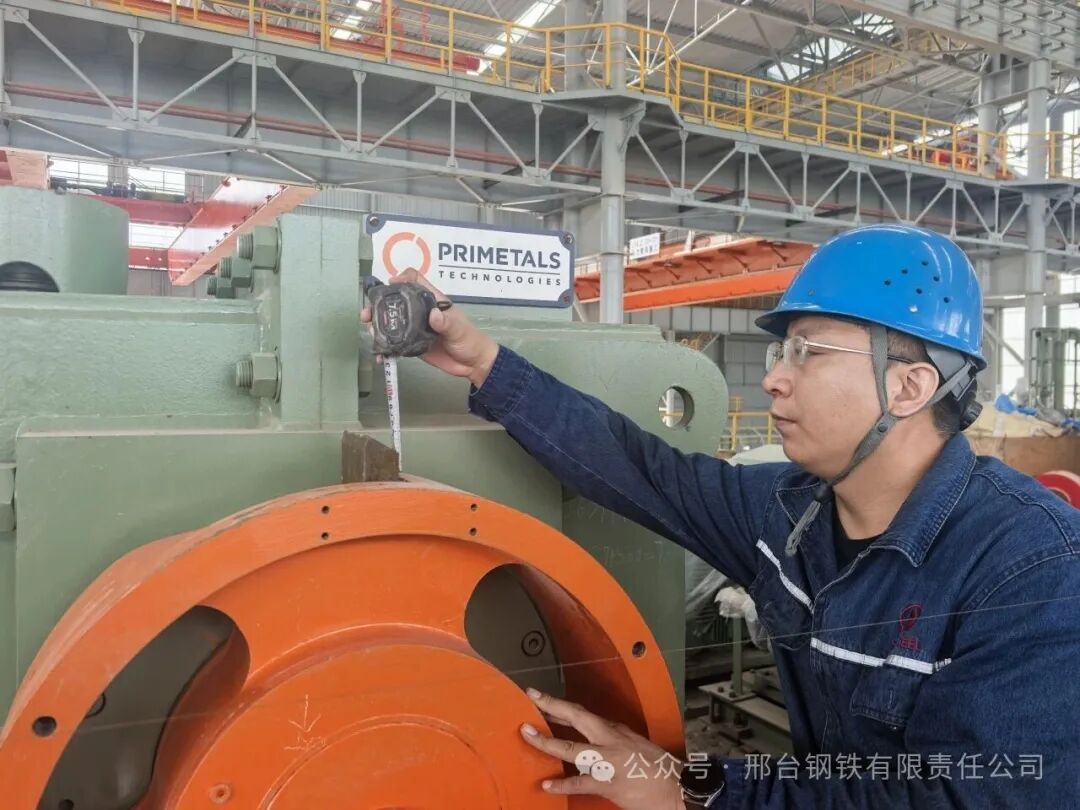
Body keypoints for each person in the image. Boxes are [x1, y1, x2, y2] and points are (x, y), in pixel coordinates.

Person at [363, 224, 1080, 808]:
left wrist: (690, 788)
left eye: (807, 352)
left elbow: (967, 797)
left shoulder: (1031, 569)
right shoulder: (790, 514)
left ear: (910, 386)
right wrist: (484, 364)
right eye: (782, 350)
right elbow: (641, 471)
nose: (774, 377)